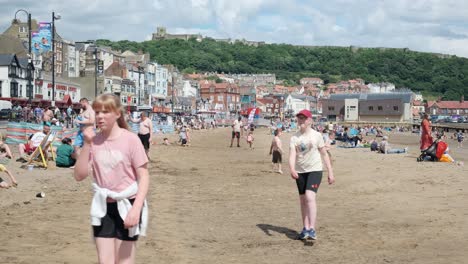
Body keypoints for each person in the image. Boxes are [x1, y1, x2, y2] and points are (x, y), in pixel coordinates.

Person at [74, 94, 149, 264]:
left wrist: (136, 209)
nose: (100, 116)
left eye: (105, 112)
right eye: (97, 112)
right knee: (104, 261)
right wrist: (86, 143)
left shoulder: (131, 140)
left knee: (124, 260)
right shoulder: (94, 141)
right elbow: (79, 175)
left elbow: (143, 177)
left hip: (128, 204)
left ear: (117, 114)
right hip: (102, 206)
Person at [289, 109, 335, 240]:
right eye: (299, 118)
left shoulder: (317, 136)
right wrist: (292, 169)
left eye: (303, 118)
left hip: (315, 170)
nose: (300, 120)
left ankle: (312, 229)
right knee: (303, 200)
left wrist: (330, 172)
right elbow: (292, 155)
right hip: (300, 171)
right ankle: (305, 228)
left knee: (310, 196)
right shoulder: (294, 138)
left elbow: (324, 154)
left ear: (309, 120)